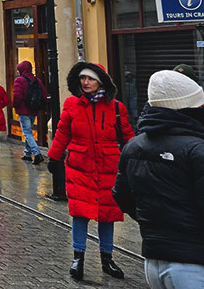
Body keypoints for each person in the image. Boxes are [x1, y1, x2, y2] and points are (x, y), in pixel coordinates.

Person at [112, 69, 204, 289]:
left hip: (155, 262)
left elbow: (122, 196)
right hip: (197, 264)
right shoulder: (198, 150)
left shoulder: (134, 146)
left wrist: (157, 224)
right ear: (190, 106)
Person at [47, 62, 134, 281]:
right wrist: (54, 156)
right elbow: (63, 132)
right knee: (80, 213)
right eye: (83, 78)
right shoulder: (72, 104)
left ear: (101, 81)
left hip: (108, 167)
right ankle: (78, 258)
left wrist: (135, 161)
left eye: (91, 79)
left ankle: (107, 258)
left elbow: (127, 135)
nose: (86, 83)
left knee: (107, 214)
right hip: (80, 166)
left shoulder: (116, 107)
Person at [10, 60, 44, 164]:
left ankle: (37, 153)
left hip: (23, 109)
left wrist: (15, 105)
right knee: (28, 130)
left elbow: (17, 95)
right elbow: (43, 92)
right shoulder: (37, 80)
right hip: (34, 109)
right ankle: (28, 154)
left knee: (27, 132)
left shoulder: (19, 80)